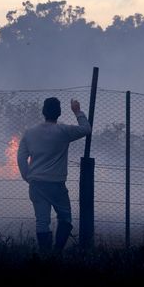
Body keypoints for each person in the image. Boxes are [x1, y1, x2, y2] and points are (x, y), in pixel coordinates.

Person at [17, 97, 91, 253]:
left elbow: (21, 158)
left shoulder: (30, 133)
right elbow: (86, 129)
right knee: (65, 219)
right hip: (56, 184)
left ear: (43, 112)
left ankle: (45, 256)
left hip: (37, 184)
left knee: (42, 222)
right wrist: (77, 111)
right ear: (59, 113)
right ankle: (57, 252)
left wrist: (28, 177)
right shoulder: (63, 131)